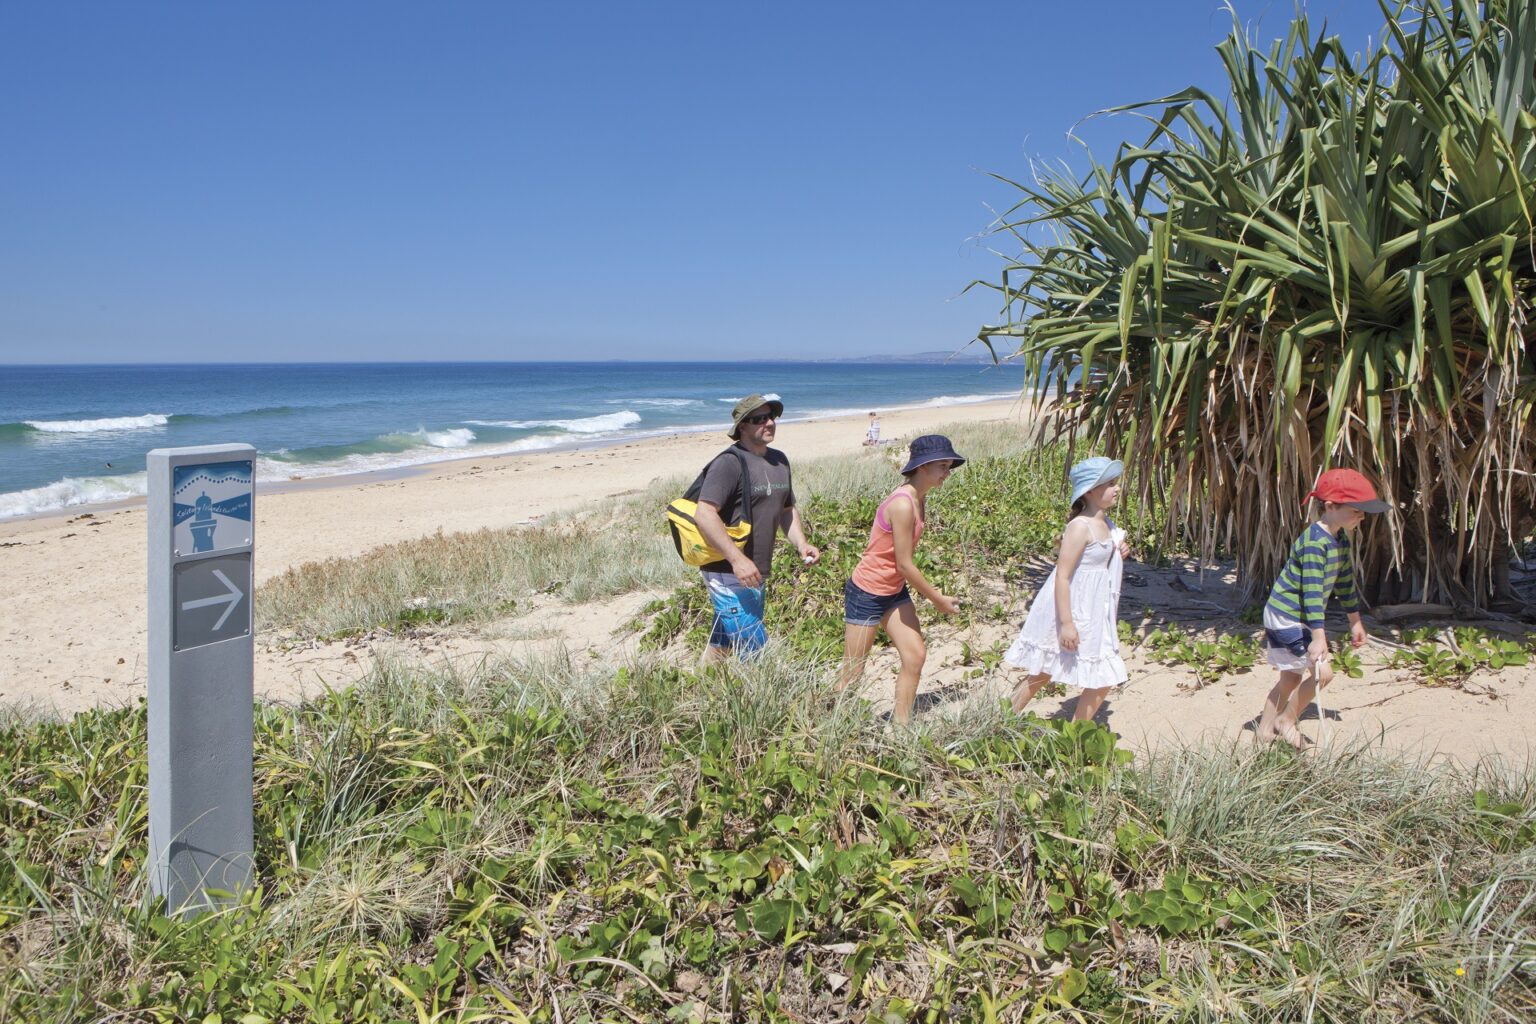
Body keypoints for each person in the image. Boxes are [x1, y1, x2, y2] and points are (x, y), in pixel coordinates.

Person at [1254, 468, 1386, 749]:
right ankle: (1285, 720)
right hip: (1287, 616)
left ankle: (1264, 731)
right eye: (1356, 511)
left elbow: (1345, 581)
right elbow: (1312, 593)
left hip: (1295, 616)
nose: (1362, 517)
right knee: (1323, 673)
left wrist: (1355, 621)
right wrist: (1318, 637)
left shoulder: (1339, 539)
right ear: (1330, 506)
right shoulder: (1315, 543)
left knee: (1290, 678)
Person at [838, 435, 965, 724]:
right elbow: (905, 565)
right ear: (922, 467)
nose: (947, 473)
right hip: (867, 592)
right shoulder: (903, 504)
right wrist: (938, 600)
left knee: (915, 656)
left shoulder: (920, 498)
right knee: (852, 673)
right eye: (943, 466)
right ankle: (828, 727)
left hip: (893, 590)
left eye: (949, 467)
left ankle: (901, 727)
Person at [692, 394, 820, 661]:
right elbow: (704, 513)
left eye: (771, 417)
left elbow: (786, 509)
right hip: (727, 570)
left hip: (757, 568)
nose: (769, 423)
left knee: (723, 641)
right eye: (759, 419)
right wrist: (737, 560)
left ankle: (703, 682)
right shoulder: (729, 463)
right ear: (742, 426)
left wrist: (801, 543)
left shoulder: (779, 460)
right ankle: (762, 689)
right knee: (757, 650)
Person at [1007, 456, 1132, 722]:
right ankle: (1001, 718)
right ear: (1090, 491)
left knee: (1103, 675)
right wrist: (1066, 623)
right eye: (1110, 483)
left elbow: (1103, 556)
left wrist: (1118, 549)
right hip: (1072, 608)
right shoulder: (1079, 526)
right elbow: (1062, 576)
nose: (1117, 488)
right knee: (1043, 671)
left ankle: (1075, 733)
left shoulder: (1106, 524)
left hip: (1095, 611)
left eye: (1115, 482)